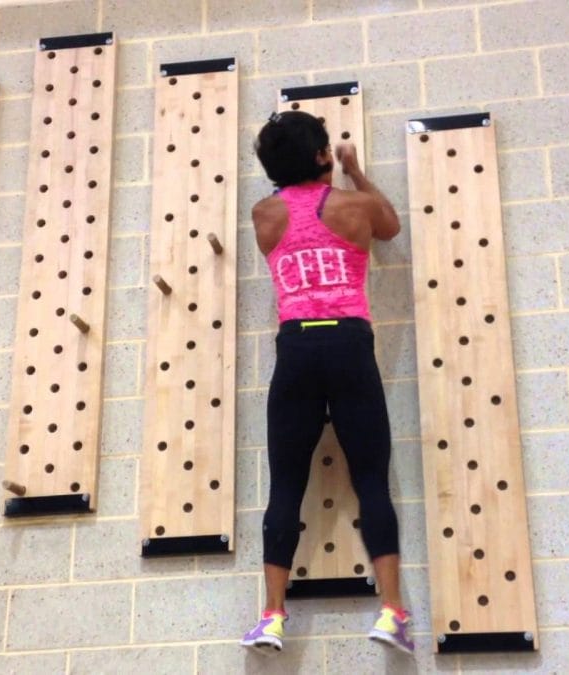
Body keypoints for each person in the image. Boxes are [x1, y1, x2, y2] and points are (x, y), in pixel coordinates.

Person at [240, 111, 411, 655]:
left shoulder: (262, 214)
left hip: (296, 348)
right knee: (372, 480)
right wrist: (355, 171)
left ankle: (272, 616)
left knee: (285, 486)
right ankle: (391, 611)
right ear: (321, 156)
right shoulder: (354, 206)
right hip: (348, 345)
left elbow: (293, 215)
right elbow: (390, 226)